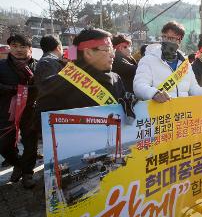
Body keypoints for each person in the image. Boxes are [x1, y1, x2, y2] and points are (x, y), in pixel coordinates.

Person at [36, 28, 127, 113]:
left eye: (112, 50)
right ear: (88, 53)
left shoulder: (116, 79)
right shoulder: (56, 85)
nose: (113, 55)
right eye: (107, 50)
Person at [133, 21, 202, 102]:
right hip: (158, 116)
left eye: (172, 38)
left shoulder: (185, 63)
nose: (167, 41)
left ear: (179, 41)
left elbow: (193, 89)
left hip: (181, 115)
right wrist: (154, 93)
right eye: (164, 37)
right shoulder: (148, 60)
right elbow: (139, 86)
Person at [0, 34, 38, 188]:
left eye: (23, 46)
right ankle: (19, 164)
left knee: (31, 144)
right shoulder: (2, 65)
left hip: (30, 111)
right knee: (3, 145)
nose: (18, 50)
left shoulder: (38, 66)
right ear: (10, 48)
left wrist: (29, 91)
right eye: (14, 46)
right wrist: (14, 90)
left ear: (30, 49)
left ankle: (28, 173)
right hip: (6, 111)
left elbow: (44, 85)